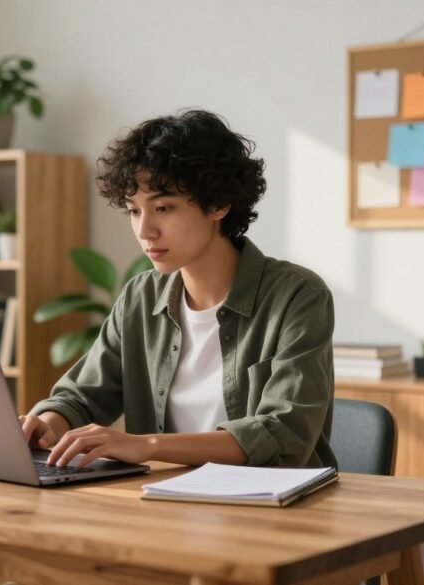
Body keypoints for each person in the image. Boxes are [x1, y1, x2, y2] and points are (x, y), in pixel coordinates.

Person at [19, 109, 336, 469]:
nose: (145, 231)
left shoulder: (297, 296)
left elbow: (282, 433)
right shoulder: (141, 297)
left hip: (273, 509)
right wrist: (46, 423)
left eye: (163, 208)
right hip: (165, 503)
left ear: (217, 204)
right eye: (134, 212)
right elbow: (81, 396)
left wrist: (148, 446)